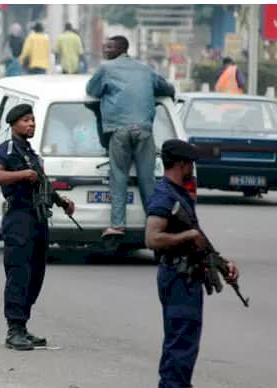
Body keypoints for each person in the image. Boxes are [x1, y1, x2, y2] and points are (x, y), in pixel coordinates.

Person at [145, 139, 240, 388]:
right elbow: (152, 238)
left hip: (186, 277)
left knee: (184, 342)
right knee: (180, 343)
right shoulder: (164, 195)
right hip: (178, 277)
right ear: (180, 164)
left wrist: (222, 263)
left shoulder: (180, 194)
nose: (192, 169)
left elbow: (199, 239)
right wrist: (187, 236)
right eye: (190, 164)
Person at [0, 104, 75, 351]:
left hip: (38, 219)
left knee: (36, 274)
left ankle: (23, 326)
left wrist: (62, 202)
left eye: (33, 120)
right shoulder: (6, 149)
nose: (31, 124)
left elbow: (42, 183)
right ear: (14, 124)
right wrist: (22, 175)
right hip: (19, 219)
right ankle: (13, 330)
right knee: (19, 273)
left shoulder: (31, 153)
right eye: (26, 120)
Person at [86, 36, 175, 245]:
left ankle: (117, 225)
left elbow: (92, 91)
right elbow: (167, 89)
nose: (105, 50)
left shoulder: (106, 69)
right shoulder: (145, 70)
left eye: (109, 47)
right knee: (148, 180)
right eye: (105, 47)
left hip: (119, 131)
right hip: (144, 131)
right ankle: (157, 225)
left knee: (119, 177)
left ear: (120, 49)